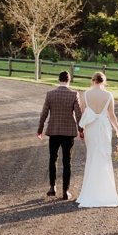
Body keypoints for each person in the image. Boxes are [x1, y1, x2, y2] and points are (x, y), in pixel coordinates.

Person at [76, 71, 118, 208]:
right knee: (104, 157)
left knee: (92, 157)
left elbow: (83, 115)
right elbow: (112, 116)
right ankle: (106, 193)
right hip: (103, 128)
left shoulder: (85, 94)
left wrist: (81, 130)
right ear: (103, 81)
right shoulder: (109, 95)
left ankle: (89, 193)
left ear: (93, 80)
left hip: (91, 128)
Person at [36, 70, 82, 200]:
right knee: (67, 162)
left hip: (54, 131)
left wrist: (40, 129)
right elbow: (78, 114)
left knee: (53, 159)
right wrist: (81, 129)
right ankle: (65, 191)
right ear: (69, 80)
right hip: (68, 133)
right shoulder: (74, 94)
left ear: (59, 79)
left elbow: (43, 113)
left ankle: (52, 187)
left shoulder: (50, 94)